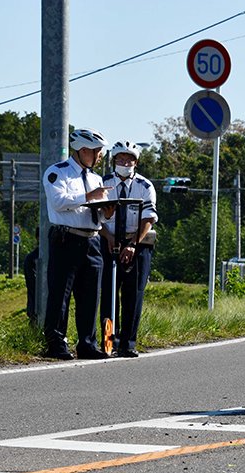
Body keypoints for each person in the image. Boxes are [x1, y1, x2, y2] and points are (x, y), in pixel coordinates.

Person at [41, 128, 115, 360]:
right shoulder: (57, 172)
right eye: (97, 152)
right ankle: (56, 343)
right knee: (60, 293)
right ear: (83, 151)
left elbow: (98, 214)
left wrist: (108, 212)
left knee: (90, 294)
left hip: (92, 240)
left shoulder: (95, 178)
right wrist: (89, 197)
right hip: (66, 238)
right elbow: (58, 202)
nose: (101, 156)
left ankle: (87, 343)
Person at [99, 140, 158, 358]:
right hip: (108, 241)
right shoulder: (103, 183)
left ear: (136, 162)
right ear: (113, 161)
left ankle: (128, 343)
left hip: (138, 244)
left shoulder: (145, 186)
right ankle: (107, 342)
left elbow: (148, 218)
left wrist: (133, 243)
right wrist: (108, 237)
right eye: (121, 159)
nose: (125, 163)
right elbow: (95, 216)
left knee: (134, 295)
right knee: (108, 293)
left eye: (130, 159)